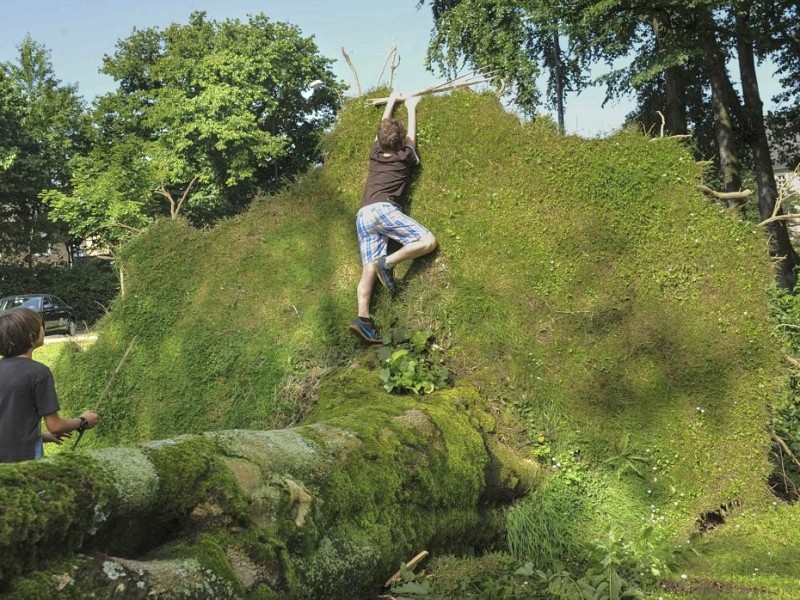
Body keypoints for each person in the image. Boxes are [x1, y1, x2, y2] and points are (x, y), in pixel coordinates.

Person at [350, 91, 438, 343]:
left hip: (363, 215)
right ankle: (388, 264)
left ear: (379, 139)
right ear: (400, 145)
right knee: (428, 241)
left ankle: (363, 318)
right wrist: (411, 107)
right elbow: (411, 137)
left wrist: (390, 102)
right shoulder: (405, 157)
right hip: (383, 210)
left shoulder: (374, 153)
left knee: (367, 268)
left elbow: (381, 131)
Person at [0, 307, 98, 463]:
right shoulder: (39, 372)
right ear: (31, 335)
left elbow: (8, 423)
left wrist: (42, 437)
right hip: (25, 462)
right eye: (40, 325)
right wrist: (83, 421)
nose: (43, 329)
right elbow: (55, 426)